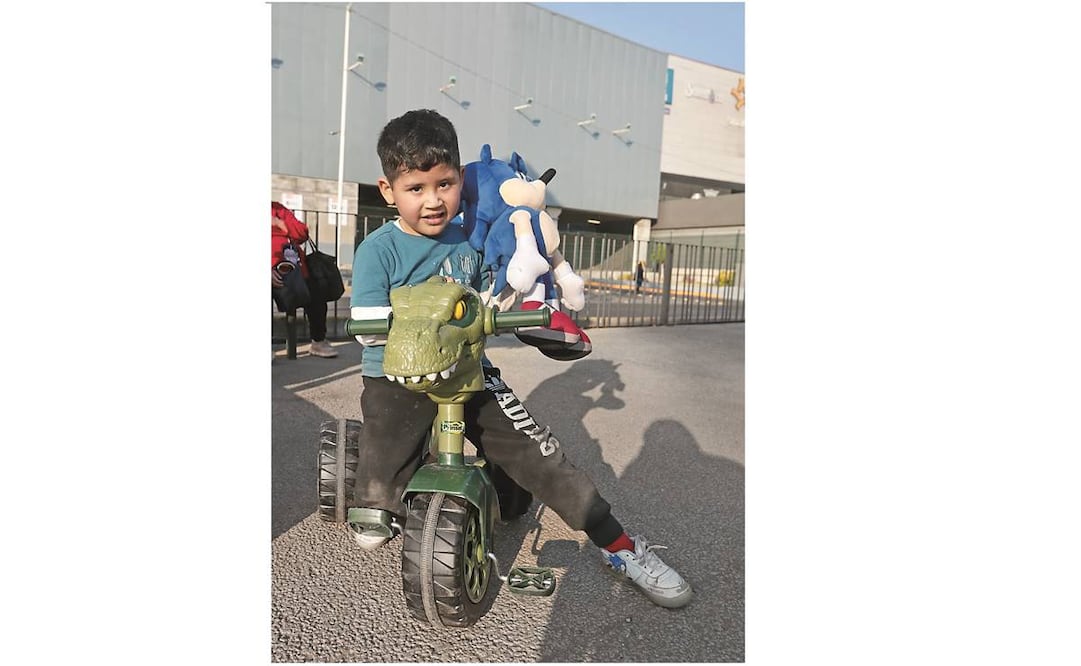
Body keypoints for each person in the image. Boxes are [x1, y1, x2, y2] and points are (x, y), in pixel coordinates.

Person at [348, 109, 692, 609]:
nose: (433, 200)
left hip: (468, 373)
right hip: (398, 373)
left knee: (538, 456)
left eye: (444, 184)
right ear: (388, 190)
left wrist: (529, 304)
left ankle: (618, 544)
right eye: (415, 188)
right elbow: (366, 326)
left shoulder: (473, 239)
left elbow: (502, 289)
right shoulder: (379, 250)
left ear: (461, 178)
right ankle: (376, 499)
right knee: (385, 438)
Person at [271, 201, 337, 358]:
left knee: (317, 292)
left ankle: (318, 341)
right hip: (272, 269)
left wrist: (279, 223)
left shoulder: (279, 209)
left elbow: (302, 233)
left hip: (296, 268)